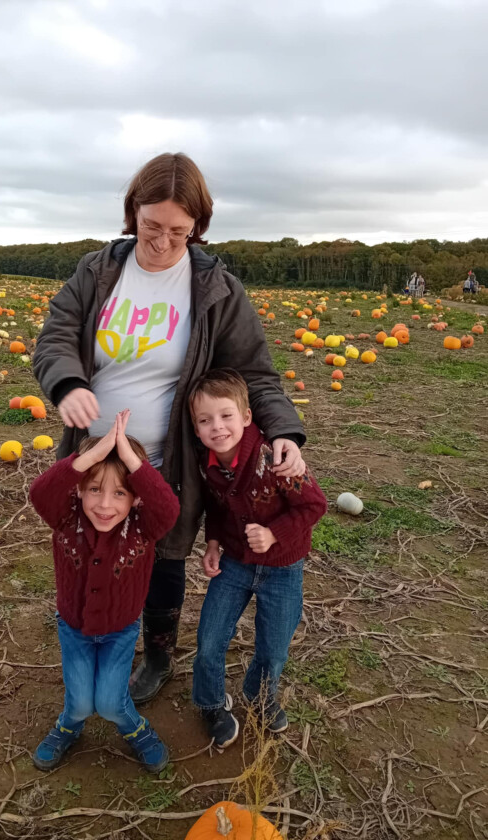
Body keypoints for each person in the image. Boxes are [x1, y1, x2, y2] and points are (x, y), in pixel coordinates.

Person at [33, 152, 306, 706]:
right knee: (92, 543)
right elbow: (56, 335)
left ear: (198, 228)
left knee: (165, 552)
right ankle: (98, 632)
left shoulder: (215, 289)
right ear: (132, 211)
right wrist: (67, 384)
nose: (160, 242)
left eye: (178, 232)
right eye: (150, 225)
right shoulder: (99, 270)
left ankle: (157, 652)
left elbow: (255, 371)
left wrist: (284, 432)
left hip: (170, 458)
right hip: (96, 456)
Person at [28, 410, 179, 772]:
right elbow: (40, 492)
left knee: (110, 704)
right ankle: (70, 723)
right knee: (81, 703)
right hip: (74, 630)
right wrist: (91, 456)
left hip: (119, 633)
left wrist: (128, 456)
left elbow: (168, 507)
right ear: (79, 489)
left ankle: (135, 727)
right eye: (94, 489)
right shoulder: (66, 519)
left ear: (136, 499)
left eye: (120, 493)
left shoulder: (143, 529)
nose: (105, 504)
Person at [189, 369, 327, 747]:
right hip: (234, 563)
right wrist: (213, 541)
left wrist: (273, 534)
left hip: (283, 568)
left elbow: (314, 506)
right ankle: (211, 702)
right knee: (210, 640)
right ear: (196, 429)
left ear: (247, 417)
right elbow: (216, 507)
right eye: (205, 420)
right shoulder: (208, 463)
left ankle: (259, 695)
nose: (217, 427)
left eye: (226, 416)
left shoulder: (276, 455)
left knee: (273, 647)